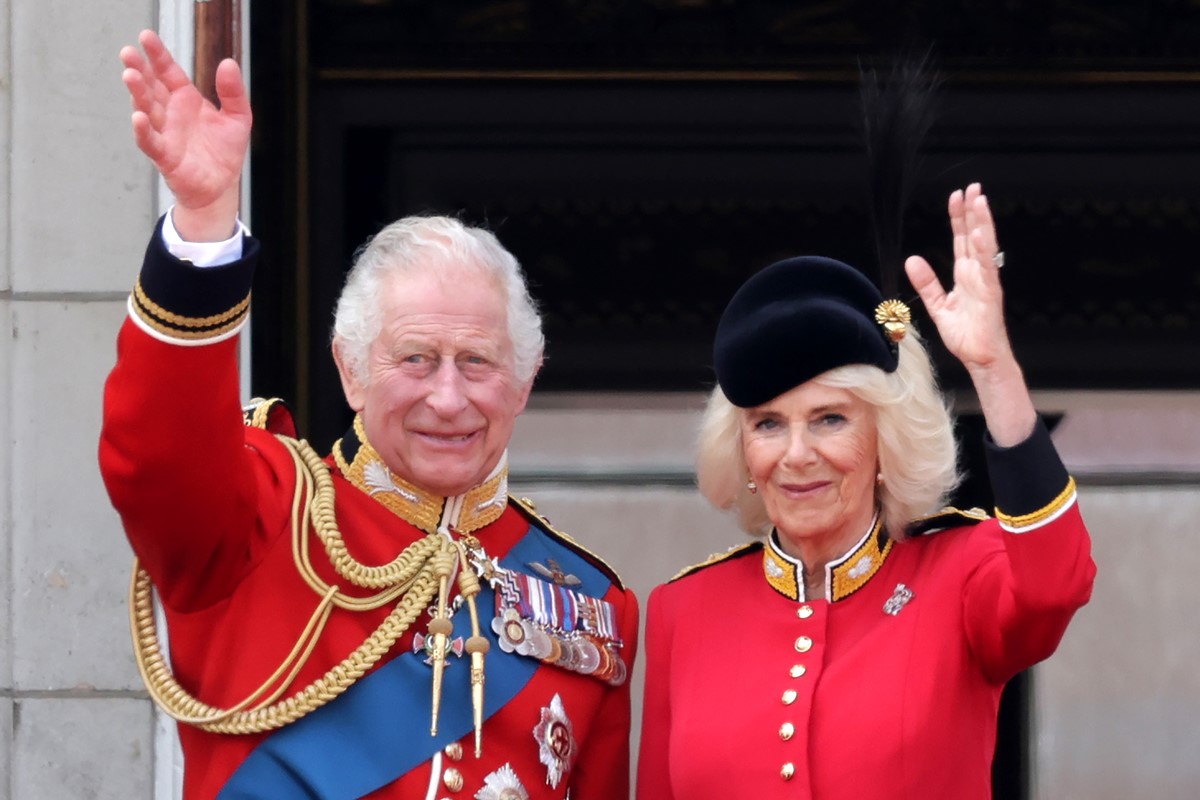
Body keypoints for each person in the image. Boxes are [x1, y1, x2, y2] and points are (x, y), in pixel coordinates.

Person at [100, 30, 637, 800]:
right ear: (349, 370)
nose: (447, 398)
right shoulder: (261, 515)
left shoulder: (592, 604)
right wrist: (203, 220)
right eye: (415, 359)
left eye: (478, 363)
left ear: (525, 382)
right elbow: (155, 455)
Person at [636, 183, 1096, 798]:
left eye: (831, 419)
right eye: (768, 424)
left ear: (885, 442)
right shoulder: (682, 611)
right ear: (743, 452)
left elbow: (1054, 585)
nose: (797, 455)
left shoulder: (961, 573)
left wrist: (992, 370)